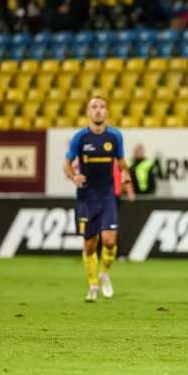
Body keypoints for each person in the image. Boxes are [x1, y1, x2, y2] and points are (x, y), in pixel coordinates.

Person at [62, 97, 131, 301]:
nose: (98, 111)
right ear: (88, 112)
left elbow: (120, 161)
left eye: (102, 107)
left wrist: (125, 173)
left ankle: (105, 274)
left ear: (107, 112)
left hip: (108, 195)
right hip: (86, 197)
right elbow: (66, 164)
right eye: (94, 107)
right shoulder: (80, 137)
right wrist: (74, 176)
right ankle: (93, 285)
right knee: (90, 244)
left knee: (109, 241)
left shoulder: (115, 136)